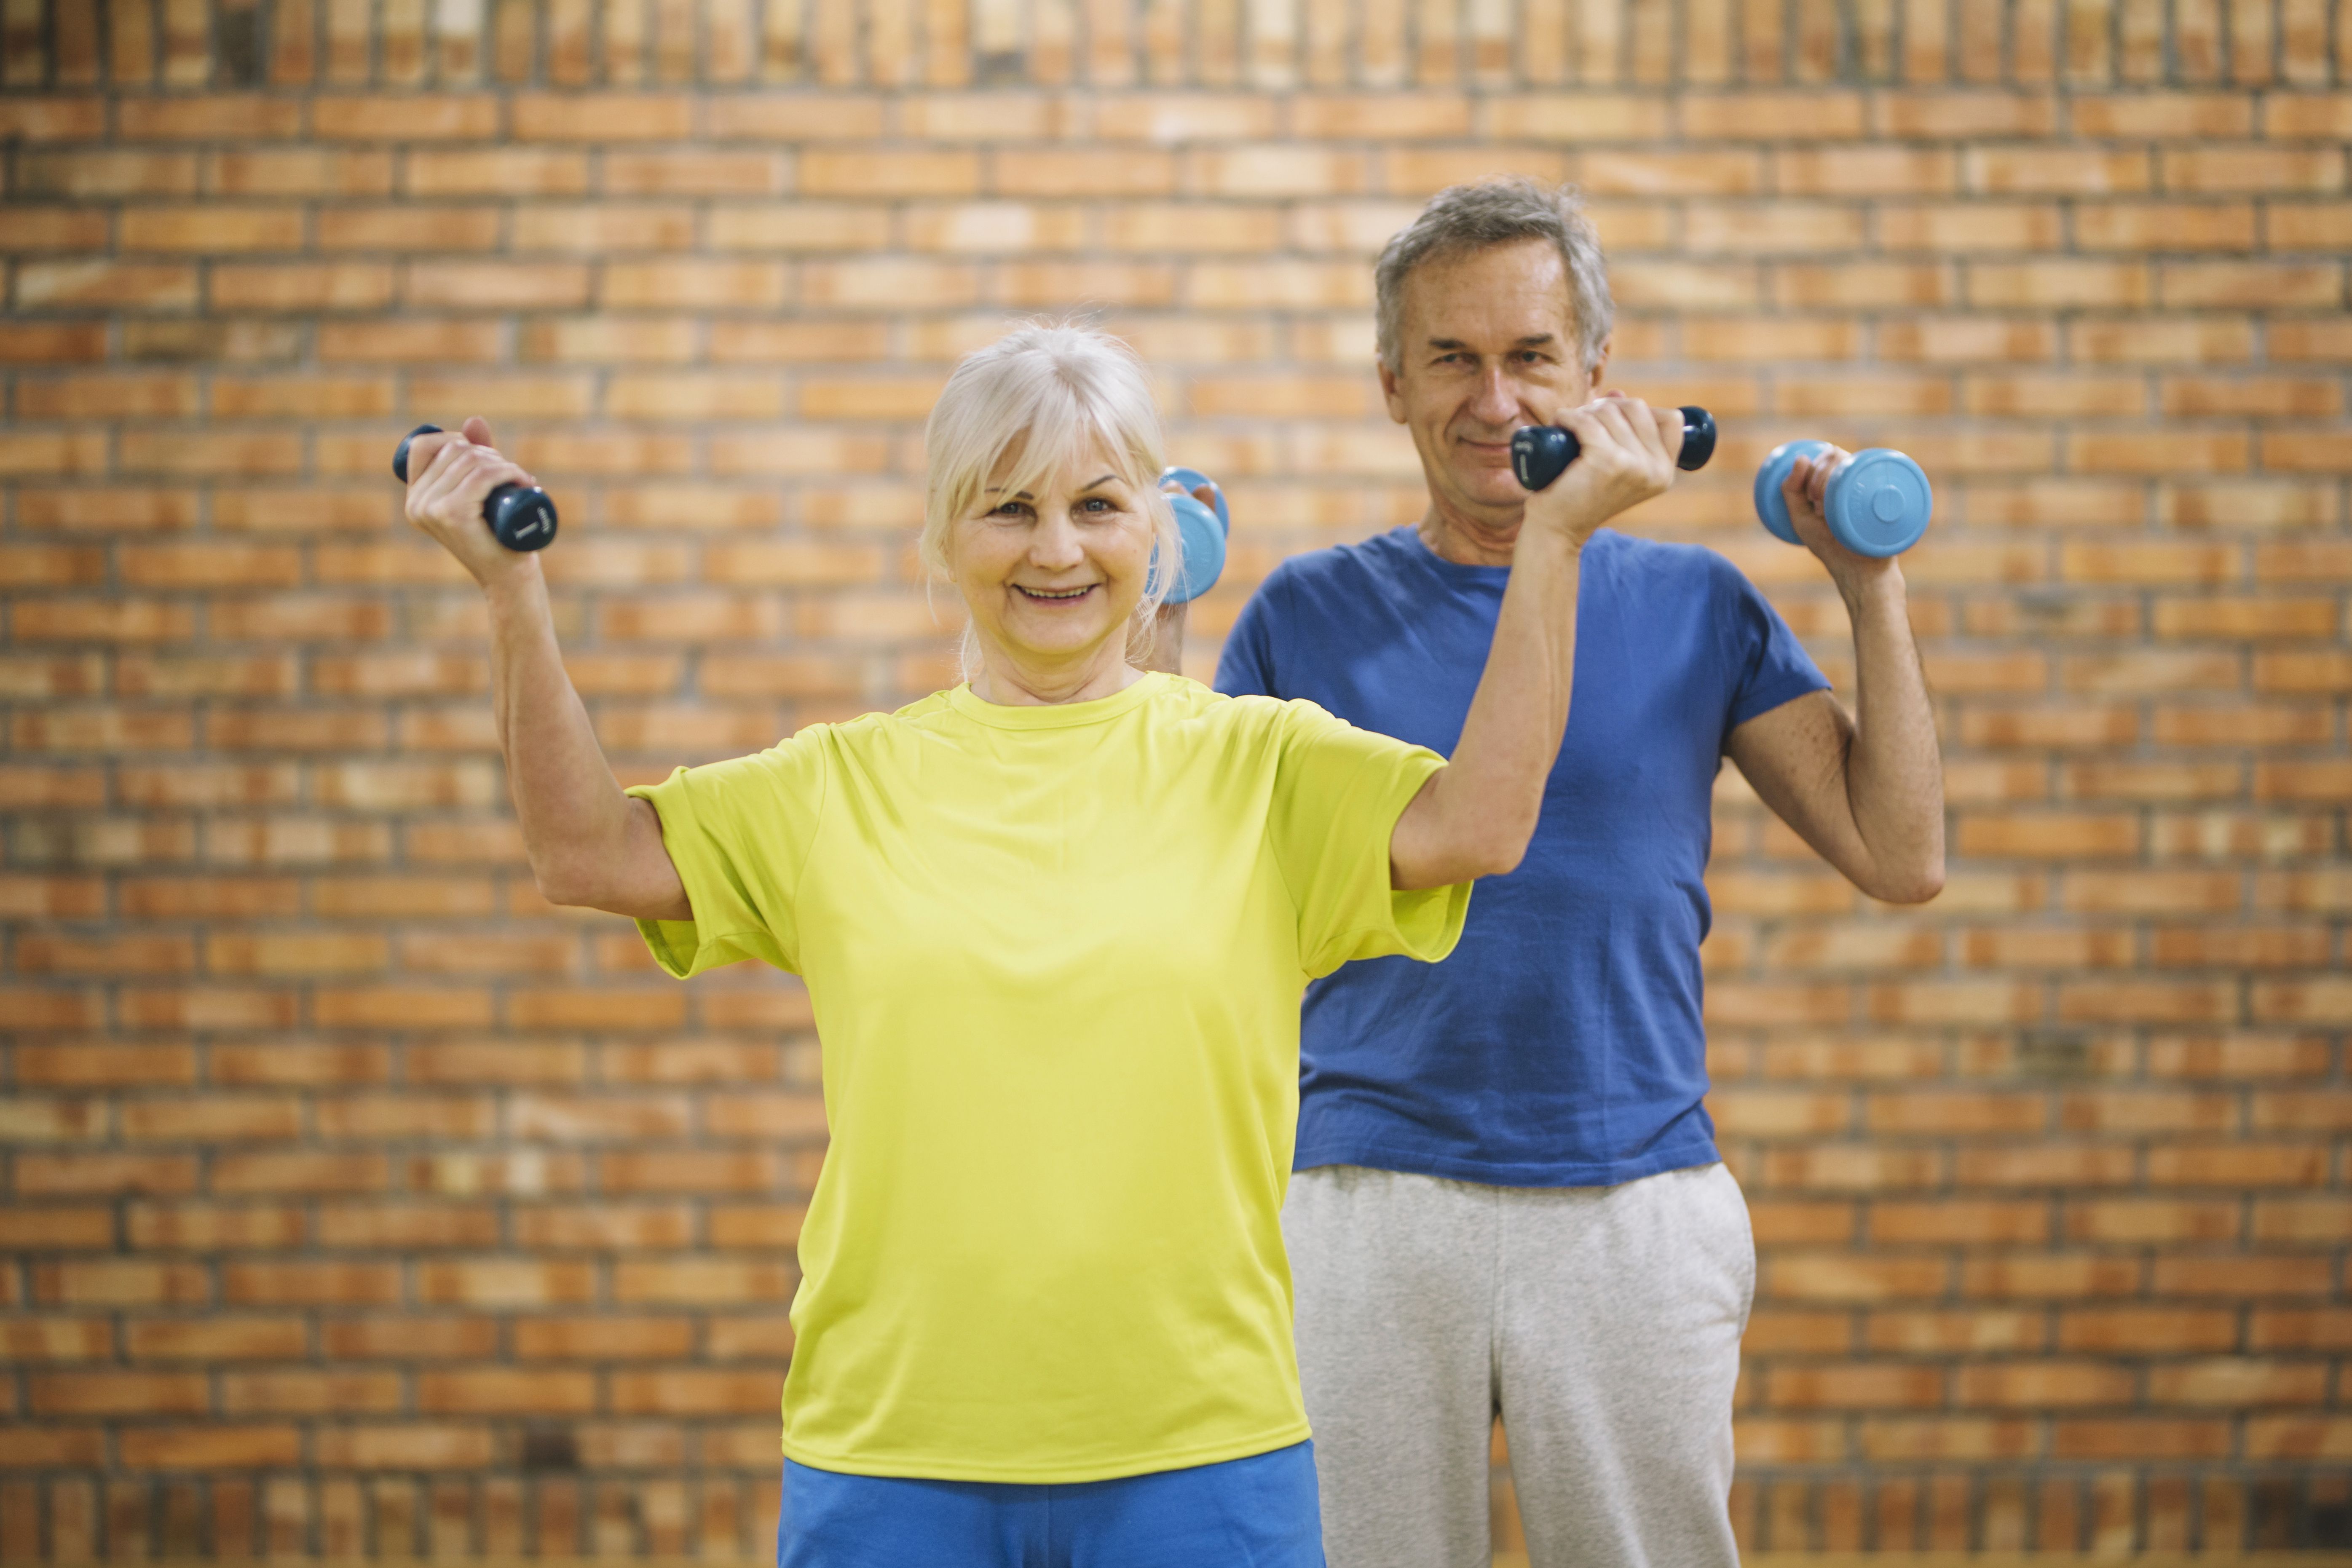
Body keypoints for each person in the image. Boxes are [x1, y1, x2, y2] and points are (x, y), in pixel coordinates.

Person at [398, 323, 1693, 1568]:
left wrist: (1557, 541)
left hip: (1204, 1450)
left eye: (1098, 504)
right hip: (896, 1450)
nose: (1057, 549)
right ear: (943, 537)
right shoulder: (843, 783)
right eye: (1008, 508)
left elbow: (1483, 820)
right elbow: (588, 853)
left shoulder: (1261, 765)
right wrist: (513, 591)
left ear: (1155, 529)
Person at [1213, 179, 1946, 1568]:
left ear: (1596, 376)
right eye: (1453, 359)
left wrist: (1871, 587)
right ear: (1391, 385)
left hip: (1631, 1205)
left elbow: (1901, 854)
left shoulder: (1698, 606)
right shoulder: (1304, 615)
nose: (1496, 401)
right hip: (1365, 1196)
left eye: (1532, 356)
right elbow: (1193, 887)